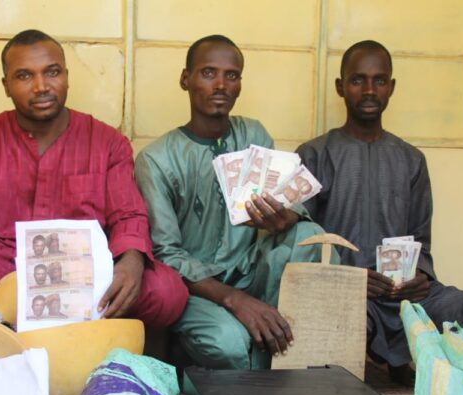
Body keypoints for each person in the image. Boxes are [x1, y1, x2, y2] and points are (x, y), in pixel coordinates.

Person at [0, 29, 188, 334]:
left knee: (167, 292)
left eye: (51, 72)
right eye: (25, 76)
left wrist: (130, 264)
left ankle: (52, 327)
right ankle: (5, 334)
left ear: (66, 76)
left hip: (82, 265)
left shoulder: (108, 142)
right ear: (6, 85)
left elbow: (128, 214)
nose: (41, 86)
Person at [296, 40, 463, 385]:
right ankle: (392, 359)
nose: (369, 90)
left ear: (391, 87)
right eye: (358, 80)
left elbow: (421, 241)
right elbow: (303, 244)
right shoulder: (314, 155)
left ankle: (423, 363)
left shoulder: (411, 159)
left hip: (406, 297)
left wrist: (422, 279)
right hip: (347, 297)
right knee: (337, 334)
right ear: (340, 87)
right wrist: (350, 280)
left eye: (379, 81)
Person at [135, 34, 334, 370]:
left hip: (254, 275)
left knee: (308, 233)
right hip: (198, 290)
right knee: (230, 345)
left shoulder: (253, 135)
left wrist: (287, 217)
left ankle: (273, 334)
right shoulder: (157, 160)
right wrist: (233, 299)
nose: (221, 85)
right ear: (186, 79)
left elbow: (288, 201)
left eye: (232, 75)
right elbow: (166, 254)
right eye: (208, 73)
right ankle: (231, 350)